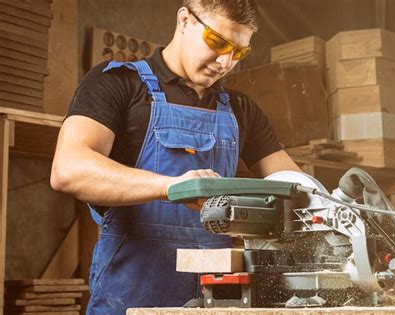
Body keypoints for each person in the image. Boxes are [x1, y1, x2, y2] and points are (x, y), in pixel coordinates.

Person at [51, 0, 301, 313]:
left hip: (220, 298)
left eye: (239, 52)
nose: (225, 61)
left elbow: (293, 185)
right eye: (218, 42)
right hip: (133, 293)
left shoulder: (241, 109)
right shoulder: (118, 84)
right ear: (184, 20)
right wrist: (173, 187)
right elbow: (68, 169)